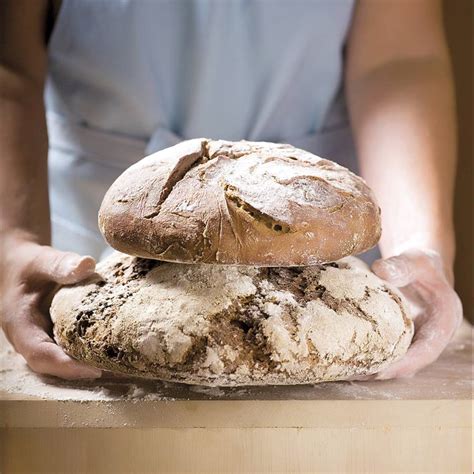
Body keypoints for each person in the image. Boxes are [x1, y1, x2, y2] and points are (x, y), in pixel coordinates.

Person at [0, 0, 462, 380]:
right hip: (94, 249)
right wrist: (11, 242)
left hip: (313, 241)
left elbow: (398, 60)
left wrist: (418, 242)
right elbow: (10, 69)